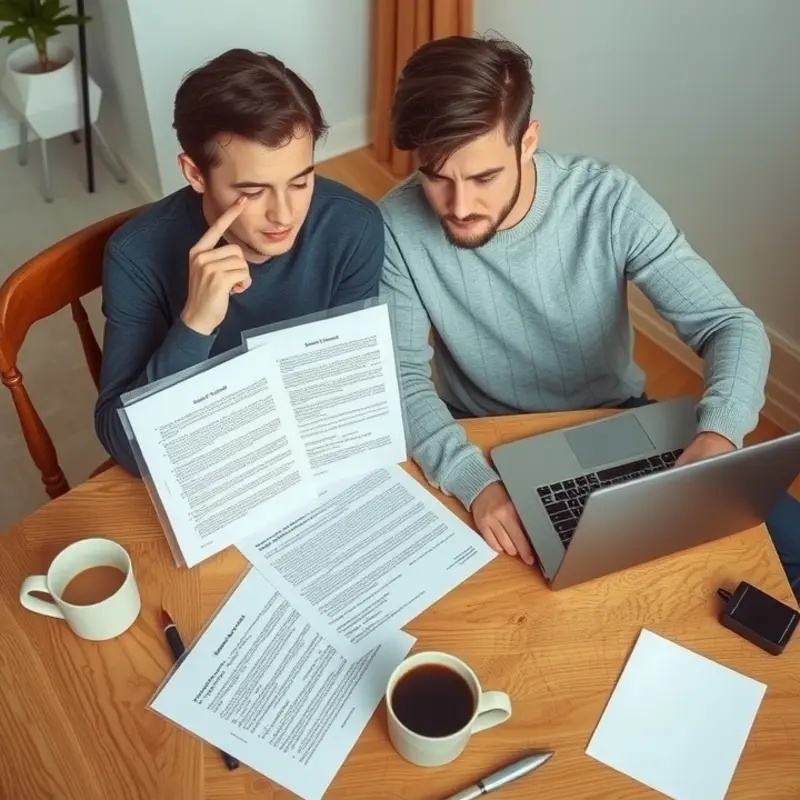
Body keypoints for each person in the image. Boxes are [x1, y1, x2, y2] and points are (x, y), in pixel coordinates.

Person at [378, 34, 800, 593]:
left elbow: (730, 324)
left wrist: (719, 435)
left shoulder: (609, 202)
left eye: (483, 178)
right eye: (436, 176)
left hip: (615, 420)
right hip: (480, 434)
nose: (458, 206)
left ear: (528, 142)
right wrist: (473, 482)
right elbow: (400, 377)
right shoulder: (394, 226)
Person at [95, 49, 384, 474]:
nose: (284, 215)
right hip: (207, 469)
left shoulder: (353, 227)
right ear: (194, 173)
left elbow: (350, 388)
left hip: (309, 455)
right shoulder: (135, 255)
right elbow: (127, 450)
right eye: (252, 192)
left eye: (301, 181)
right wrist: (194, 325)